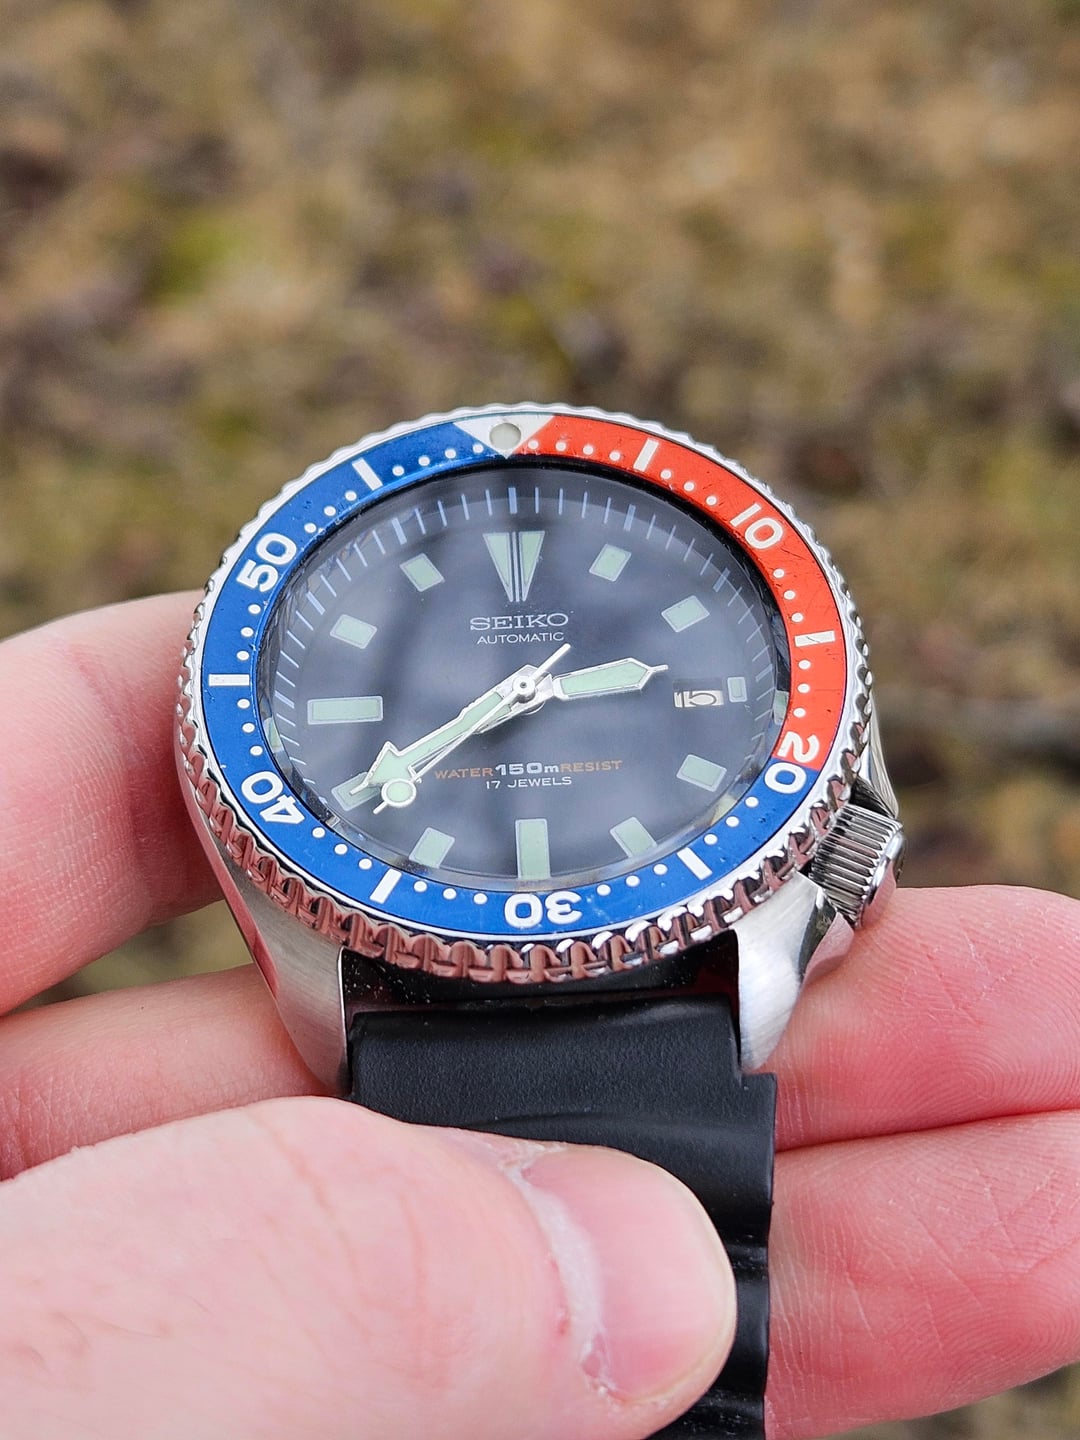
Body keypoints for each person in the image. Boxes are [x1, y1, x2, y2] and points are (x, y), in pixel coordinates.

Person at [2, 591, 1078, 1440]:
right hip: (418, 975)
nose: (520, 694)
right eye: (510, 691)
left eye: (528, 689)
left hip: (662, 961)